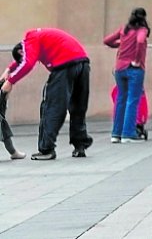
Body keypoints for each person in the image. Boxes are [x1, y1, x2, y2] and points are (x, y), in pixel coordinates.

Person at [2, 28, 91, 160]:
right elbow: (23, 60)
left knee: (51, 107)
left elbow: (27, 62)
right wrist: (9, 69)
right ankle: (80, 146)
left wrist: (10, 82)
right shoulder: (40, 38)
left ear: (21, 50)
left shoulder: (30, 39)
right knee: (78, 106)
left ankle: (46, 149)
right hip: (82, 62)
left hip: (64, 66)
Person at [103, 7, 150, 144]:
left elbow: (107, 40)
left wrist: (121, 44)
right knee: (132, 100)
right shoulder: (142, 30)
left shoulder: (124, 29)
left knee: (120, 100)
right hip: (133, 69)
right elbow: (140, 41)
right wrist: (136, 59)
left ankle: (116, 134)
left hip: (119, 68)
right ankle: (128, 133)